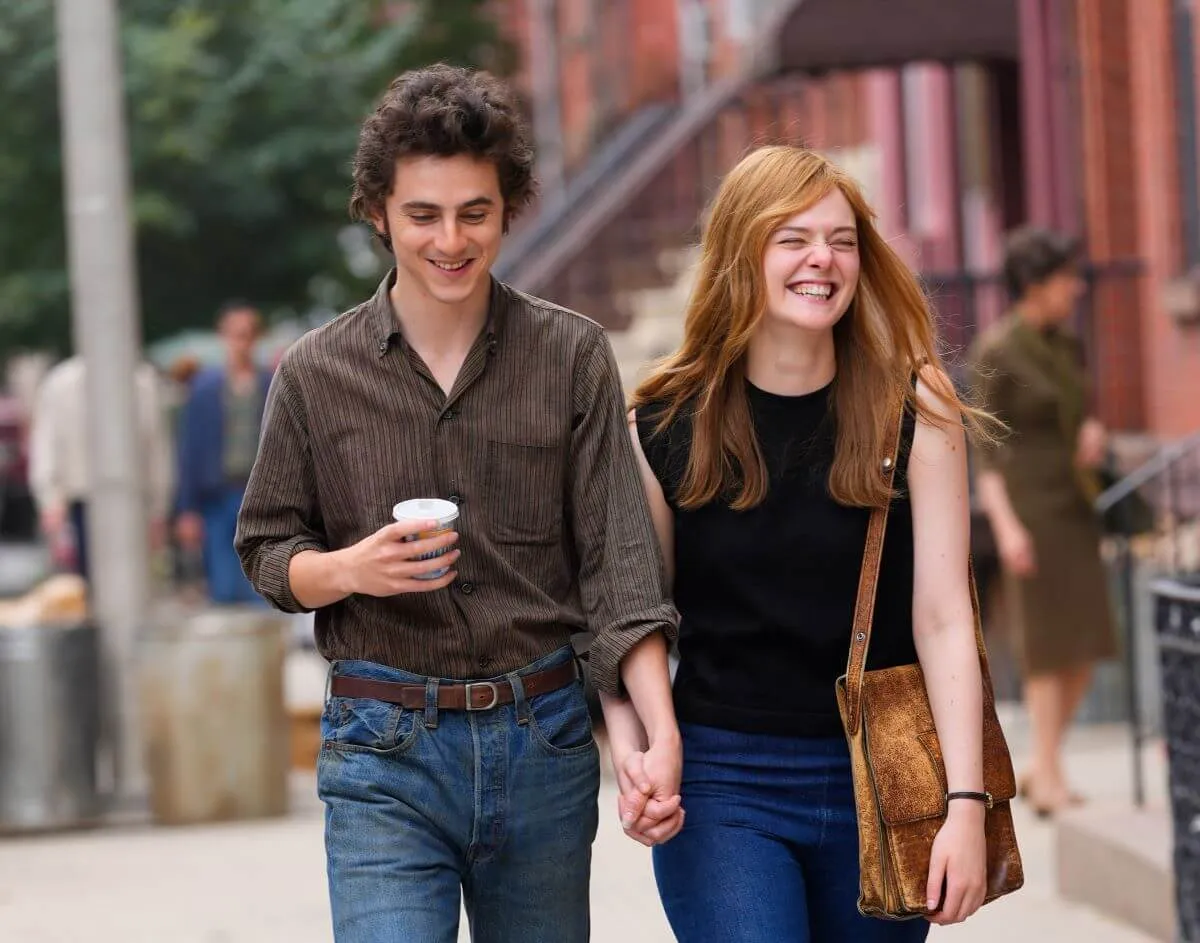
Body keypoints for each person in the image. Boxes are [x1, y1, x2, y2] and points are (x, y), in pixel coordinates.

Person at [234, 64, 682, 943]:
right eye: (423, 215)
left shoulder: (572, 355)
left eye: (474, 212)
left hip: (542, 740)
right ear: (378, 213)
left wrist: (655, 737)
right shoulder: (316, 374)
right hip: (381, 748)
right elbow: (265, 551)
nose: (451, 240)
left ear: (507, 207)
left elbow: (620, 564)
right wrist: (351, 567)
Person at [605, 145, 994, 941]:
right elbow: (631, 616)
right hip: (725, 783)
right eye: (794, 237)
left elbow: (945, 616)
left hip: (884, 778)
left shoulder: (916, 406)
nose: (824, 259)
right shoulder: (661, 425)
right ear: (740, 253)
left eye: (843, 240)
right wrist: (637, 745)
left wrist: (966, 803)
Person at [967, 227, 1117, 816]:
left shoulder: (1066, 345)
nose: (1076, 289)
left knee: (1085, 643)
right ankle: (1049, 775)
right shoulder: (996, 353)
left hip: (1073, 506)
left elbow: (1083, 410)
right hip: (1028, 510)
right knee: (1047, 648)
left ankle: (1041, 764)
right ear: (1034, 284)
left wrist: (1094, 432)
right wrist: (1005, 528)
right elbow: (985, 451)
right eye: (1066, 279)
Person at [28, 355, 174, 580]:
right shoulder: (61, 382)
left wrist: (158, 507)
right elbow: (47, 444)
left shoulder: (142, 380)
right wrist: (50, 500)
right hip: (80, 497)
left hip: (134, 498)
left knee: (132, 580)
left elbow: (155, 445)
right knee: (85, 581)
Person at [175, 301, 272, 604]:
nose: (240, 343)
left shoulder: (270, 384)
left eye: (246, 335)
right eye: (234, 335)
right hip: (216, 496)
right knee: (223, 586)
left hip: (260, 496)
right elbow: (189, 450)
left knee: (261, 582)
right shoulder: (204, 388)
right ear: (223, 337)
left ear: (256, 338)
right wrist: (186, 509)